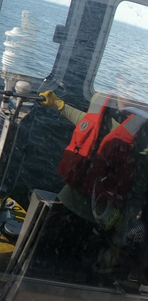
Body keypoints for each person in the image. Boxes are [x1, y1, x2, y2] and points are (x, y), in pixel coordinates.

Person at [37, 65, 148, 278]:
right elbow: (90, 127)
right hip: (67, 201)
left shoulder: (145, 133)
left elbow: (138, 193)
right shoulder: (102, 101)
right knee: (41, 260)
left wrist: (116, 244)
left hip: (98, 218)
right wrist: (60, 105)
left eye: (136, 85)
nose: (127, 89)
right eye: (124, 80)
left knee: (68, 274)